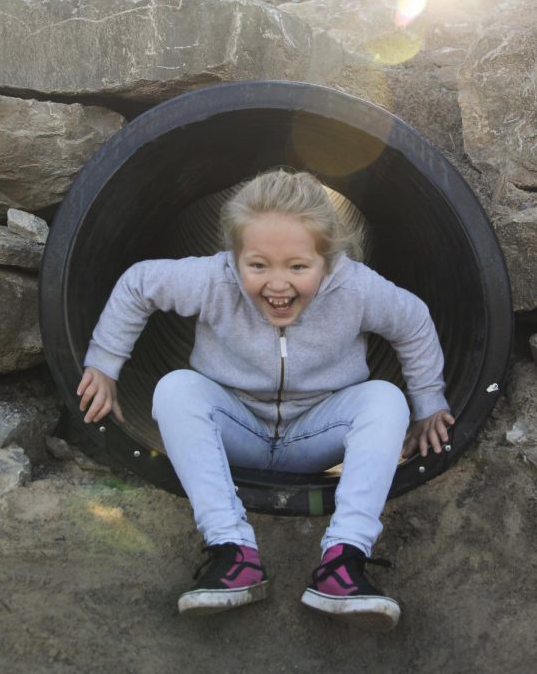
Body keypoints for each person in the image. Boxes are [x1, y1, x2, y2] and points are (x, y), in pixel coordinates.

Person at [78, 169, 454, 629]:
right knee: (176, 388)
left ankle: (344, 560)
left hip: (317, 433)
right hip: (237, 428)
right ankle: (232, 552)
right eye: (258, 265)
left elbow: (412, 320)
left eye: (298, 266)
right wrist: (103, 364)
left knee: (386, 398)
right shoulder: (213, 280)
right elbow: (139, 284)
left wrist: (429, 402)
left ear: (328, 259)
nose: (278, 284)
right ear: (234, 257)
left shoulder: (355, 288)